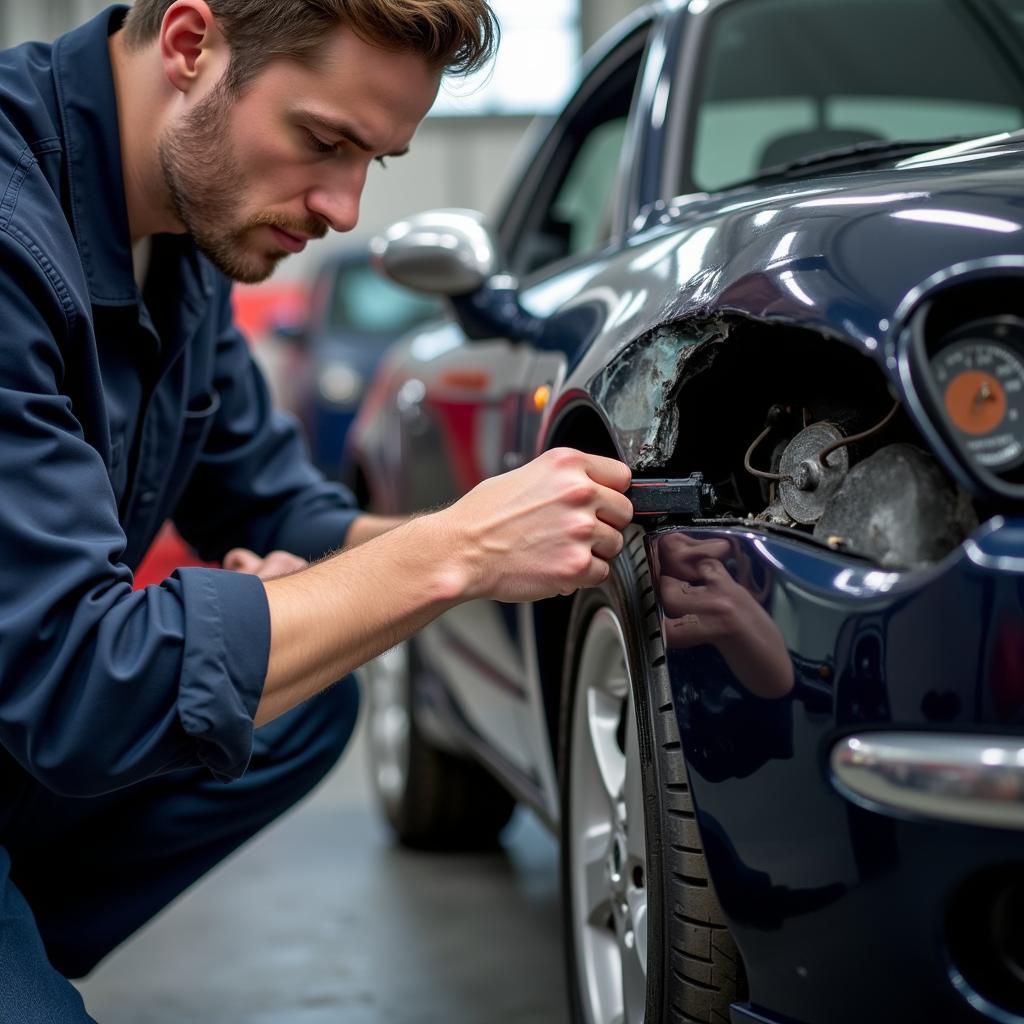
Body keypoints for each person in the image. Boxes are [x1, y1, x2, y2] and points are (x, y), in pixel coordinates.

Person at [0, 1, 633, 1019]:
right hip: (47, 703)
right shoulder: (11, 242)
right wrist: (454, 549)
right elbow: (80, 679)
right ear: (189, 44)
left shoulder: (180, 233)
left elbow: (275, 503)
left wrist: (517, 543)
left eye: (373, 162)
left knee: (302, 699)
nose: (344, 209)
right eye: (324, 141)